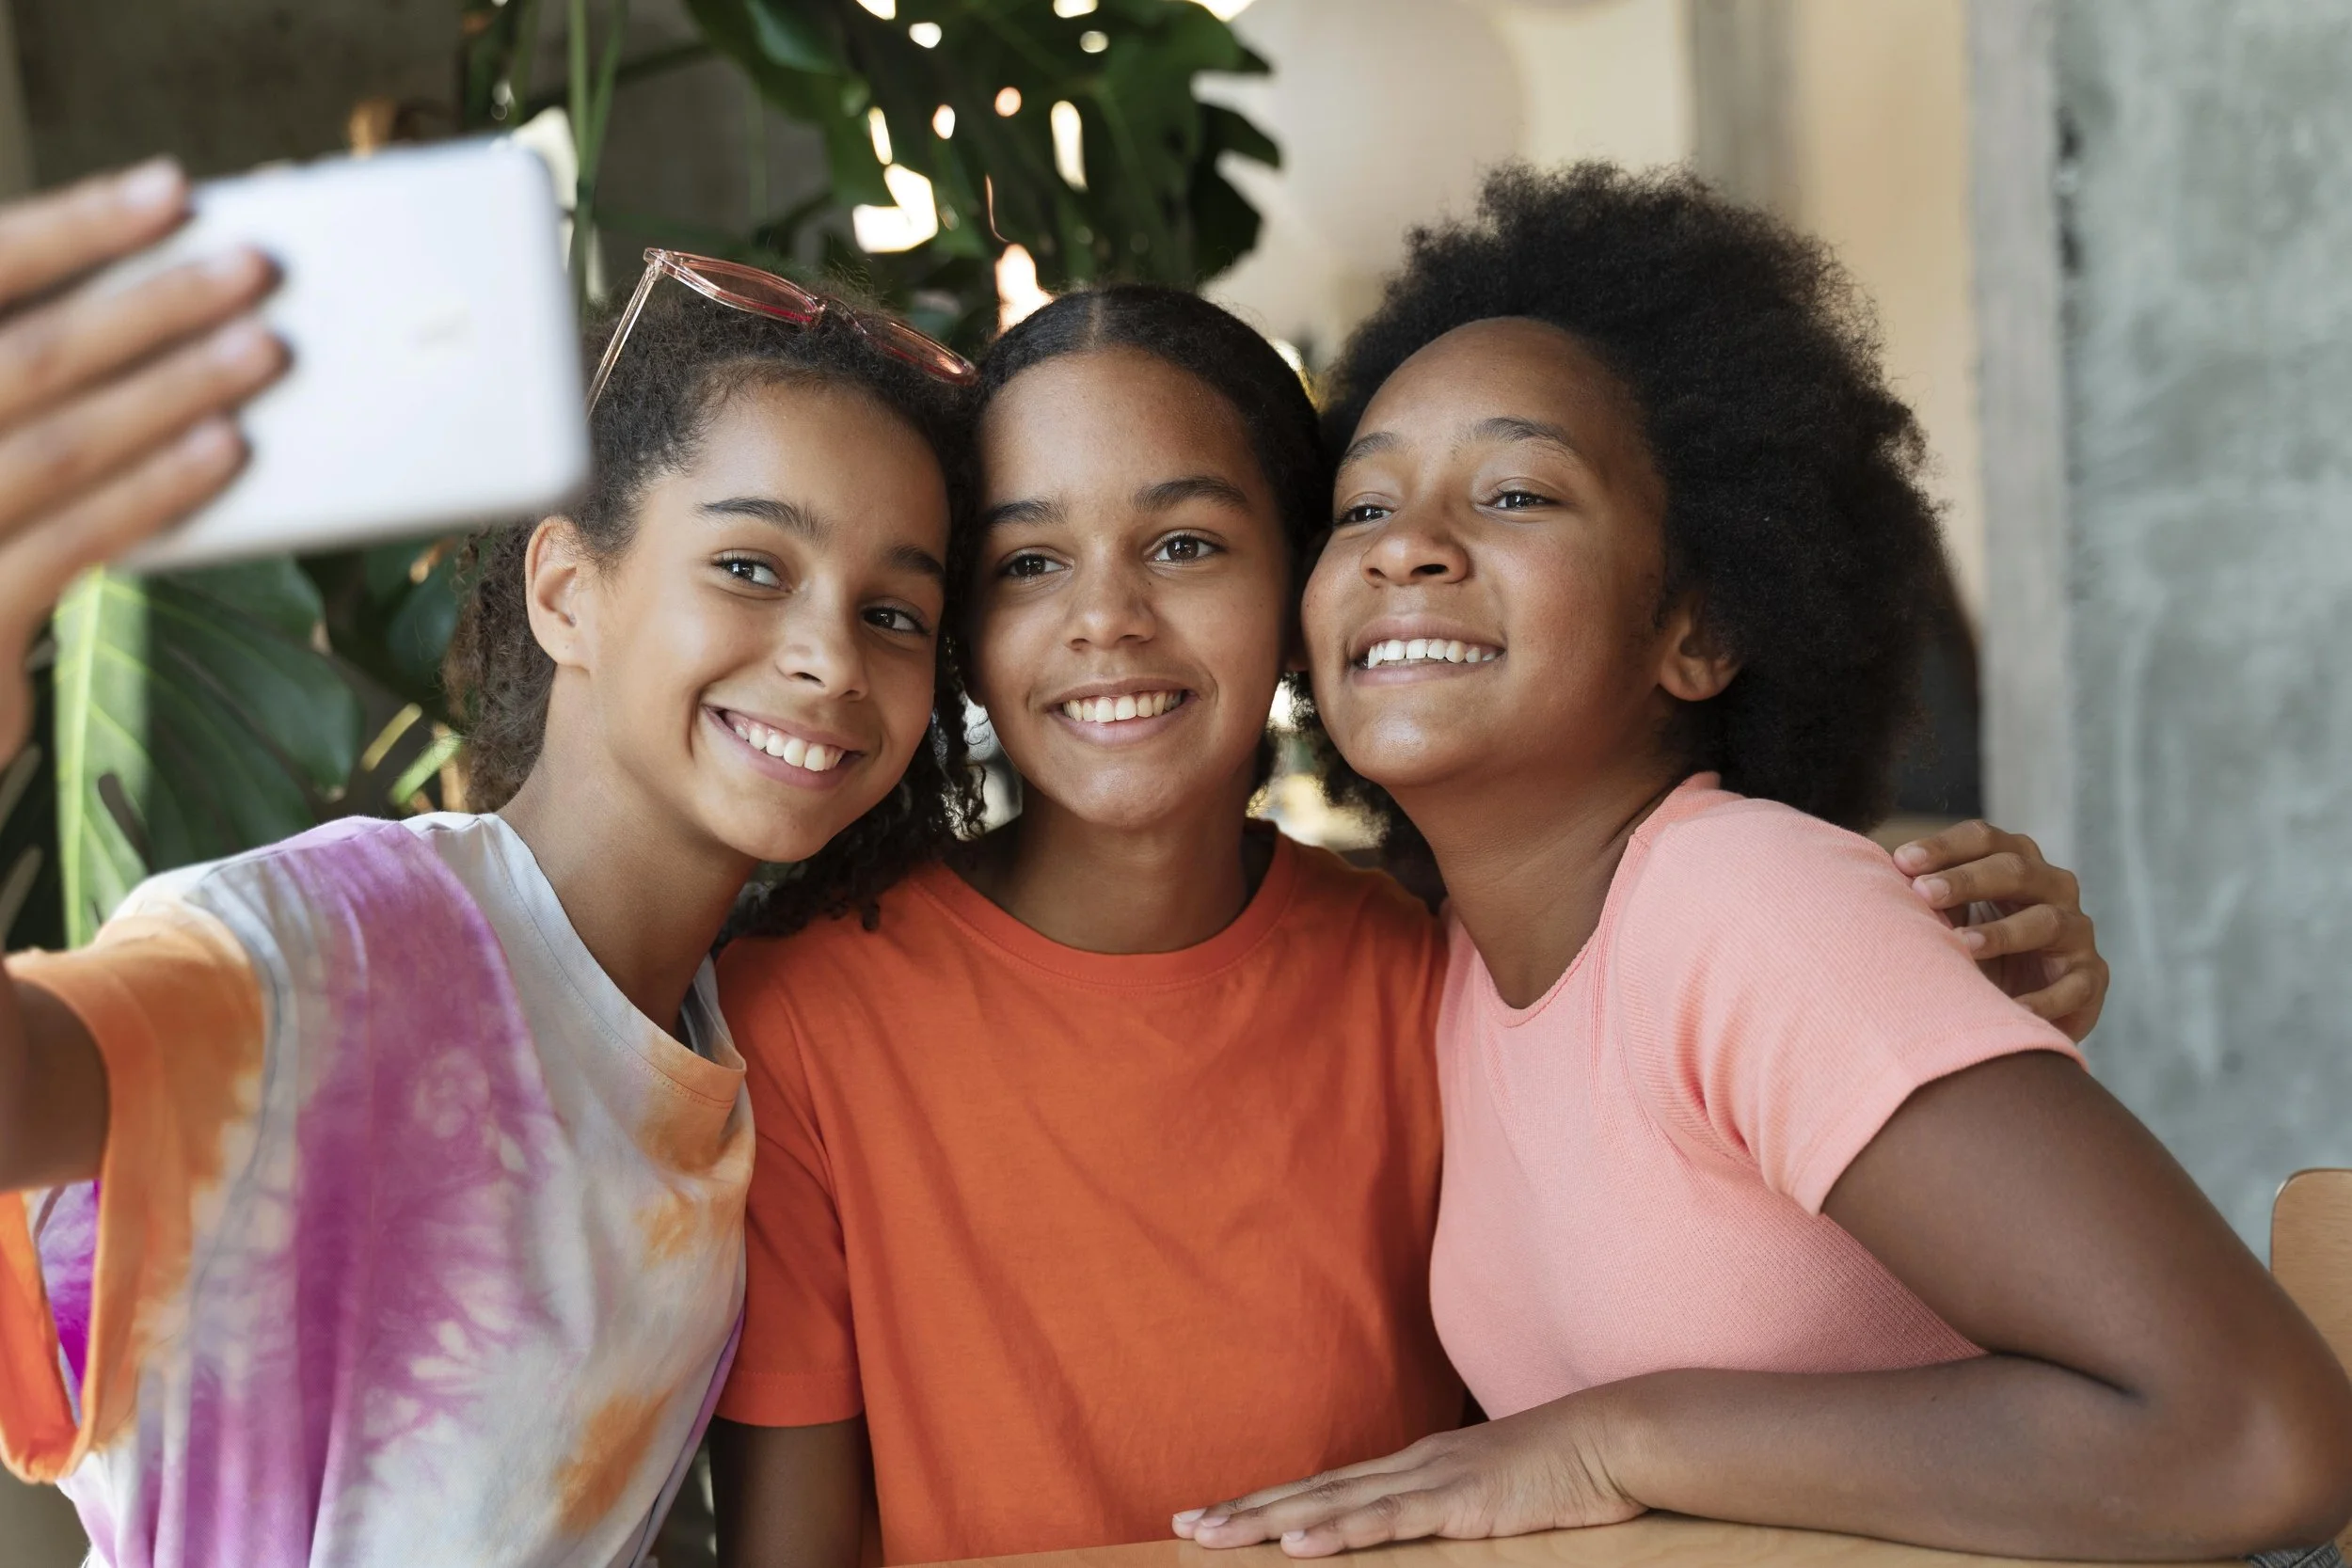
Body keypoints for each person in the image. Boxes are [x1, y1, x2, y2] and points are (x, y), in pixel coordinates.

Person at [708, 283, 2110, 1567]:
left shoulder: (1430, 972)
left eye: (1186, 544)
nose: (1107, 619)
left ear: (1301, 592)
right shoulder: (798, 1018)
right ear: (959, 625)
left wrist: (1919, 958)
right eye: (1027, 564)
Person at [1173, 164, 2352, 1563]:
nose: (1410, 548)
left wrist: (1614, 1433)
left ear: (1700, 627)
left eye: (1517, 492)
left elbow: (2258, 1438)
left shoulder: (1749, 908)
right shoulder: (1460, 975)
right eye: (1363, 508)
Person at [0, 163, 979, 1567]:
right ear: (567, 589)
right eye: (753, 567)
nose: (832, 655)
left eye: (894, 610)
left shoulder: (732, 1043)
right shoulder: (322, 940)